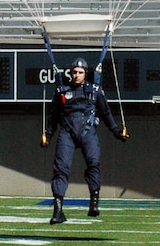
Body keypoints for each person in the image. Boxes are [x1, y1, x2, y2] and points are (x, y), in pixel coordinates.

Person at [40, 57, 127, 224]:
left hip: (87, 131)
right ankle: (58, 210)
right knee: (61, 169)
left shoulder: (94, 91)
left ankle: (94, 203)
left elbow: (106, 113)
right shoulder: (63, 91)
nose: (77, 75)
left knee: (93, 163)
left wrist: (117, 131)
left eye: (80, 73)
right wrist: (48, 135)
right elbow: (54, 116)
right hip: (67, 131)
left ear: (85, 74)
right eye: (74, 72)